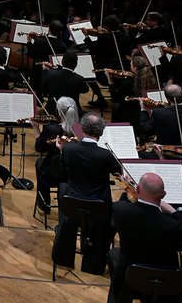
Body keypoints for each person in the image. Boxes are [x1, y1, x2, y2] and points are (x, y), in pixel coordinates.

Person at [108, 172, 182, 303]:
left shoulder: (121, 210)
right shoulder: (172, 225)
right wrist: (173, 212)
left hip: (132, 278)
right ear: (163, 195)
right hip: (167, 281)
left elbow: (121, 208)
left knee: (114, 255)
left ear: (138, 189)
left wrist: (127, 189)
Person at [52, 112, 122, 275]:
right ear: (101, 132)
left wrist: (61, 151)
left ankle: (63, 259)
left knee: (65, 196)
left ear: (82, 129)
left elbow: (63, 172)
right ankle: (93, 265)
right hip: (97, 207)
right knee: (108, 224)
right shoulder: (106, 155)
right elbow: (118, 172)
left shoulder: (68, 149)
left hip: (72, 204)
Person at [142, 83, 182, 147]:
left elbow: (145, 131)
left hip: (165, 153)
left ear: (167, 99)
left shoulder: (159, 113)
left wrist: (143, 110)